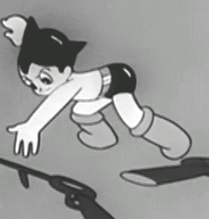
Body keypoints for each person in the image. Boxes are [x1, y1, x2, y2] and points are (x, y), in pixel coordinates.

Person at [2, 14, 191, 159]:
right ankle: (104, 137)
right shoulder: (68, 83)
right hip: (100, 91)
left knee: (132, 118)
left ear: (66, 71)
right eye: (29, 82)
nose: (38, 89)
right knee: (81, 110)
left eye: (44, 80)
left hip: (118, 80)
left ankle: (177, 142)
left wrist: (33, 126)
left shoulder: (70, 85)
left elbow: (54, 104)